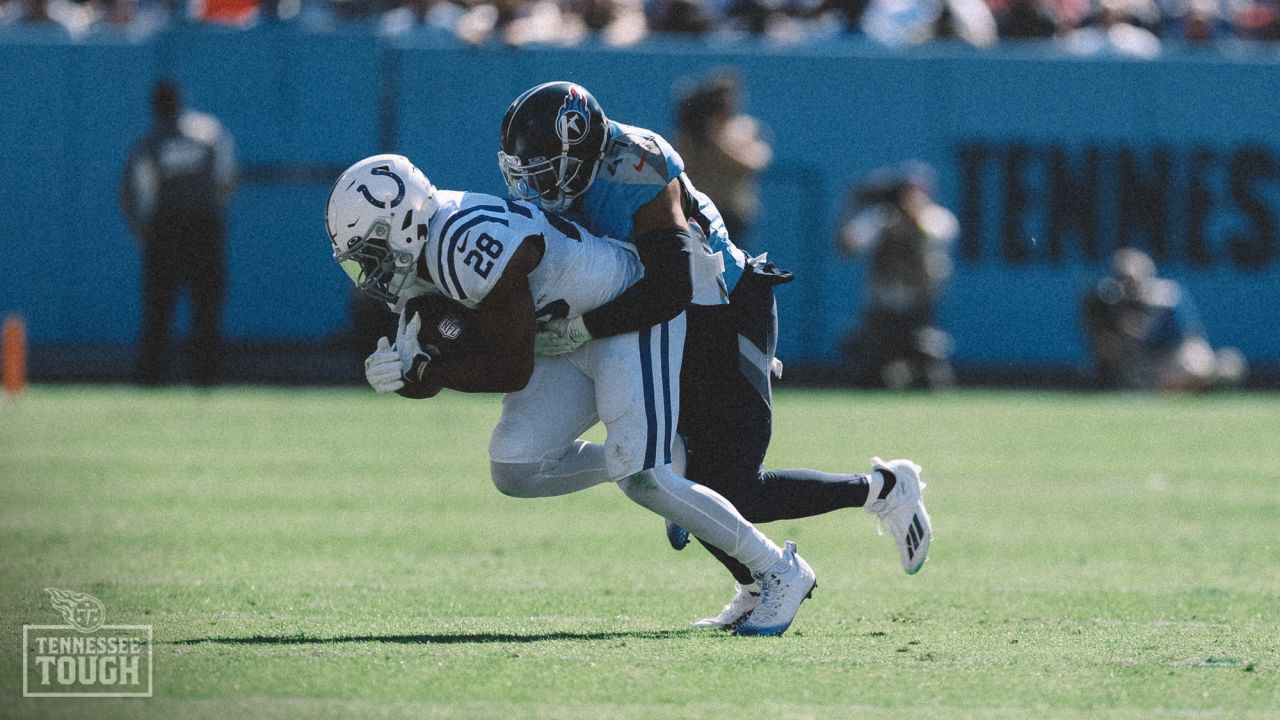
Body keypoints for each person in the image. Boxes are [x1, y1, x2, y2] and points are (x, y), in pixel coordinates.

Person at [497, 81, 931, 629]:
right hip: (660, 322)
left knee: (731, 487)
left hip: (722, 310)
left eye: (544, 168)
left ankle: (885, 489)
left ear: (582, 151)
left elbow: (670, 288)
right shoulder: (565, 176)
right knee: (686, 482)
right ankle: (754, 580)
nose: (533, 184)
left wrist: (580, 327)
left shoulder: (637, 167)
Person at [326, 154, 816, 637]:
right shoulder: (429, 248)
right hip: (563, 331)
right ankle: (669, 452)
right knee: (516, 467)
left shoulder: (467, 243)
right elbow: (456, 343)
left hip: (621, 313)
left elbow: (510, 368)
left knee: (644, 477)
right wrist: (405, 370)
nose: (371, 270)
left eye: (373, 251)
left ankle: (778, 571)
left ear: (405, 223)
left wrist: (431, 371)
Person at [121, 79, 237, 386]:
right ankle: (204, 377)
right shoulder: (208, 133)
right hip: (204, 227)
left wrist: (143, 234)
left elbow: (133, 193)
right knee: (206, 307)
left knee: (159, 309)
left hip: (166, 230)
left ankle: (152, 378)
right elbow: (226, 180)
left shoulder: (151, 142)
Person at [835, 161, 957, 390]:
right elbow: (846, 246)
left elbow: (933, 239)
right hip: (882, 309)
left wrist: (912, 219)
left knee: (929, 375)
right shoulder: (881, 219)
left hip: (918, 309)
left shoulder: (937, 218)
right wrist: (852, 205)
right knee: (868, 374)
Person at [1081, 248, 1246, 392]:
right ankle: (1188, 387)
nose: (1127, 286)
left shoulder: (1166, 298)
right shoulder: (1109, 302)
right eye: (1121, 279)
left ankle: (1202, 382)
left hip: (1174, 355)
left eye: (1132, 280)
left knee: (1204, 364)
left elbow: (1189, 338)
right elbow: (1105, 346)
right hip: (1143, 364)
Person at [673, 72, 772, 252]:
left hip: (733, 213)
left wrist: (716, 140)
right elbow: (682, 167)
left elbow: (754, 163)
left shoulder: (744, 128)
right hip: (700, 212)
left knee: (734, 268)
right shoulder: (696, 132)